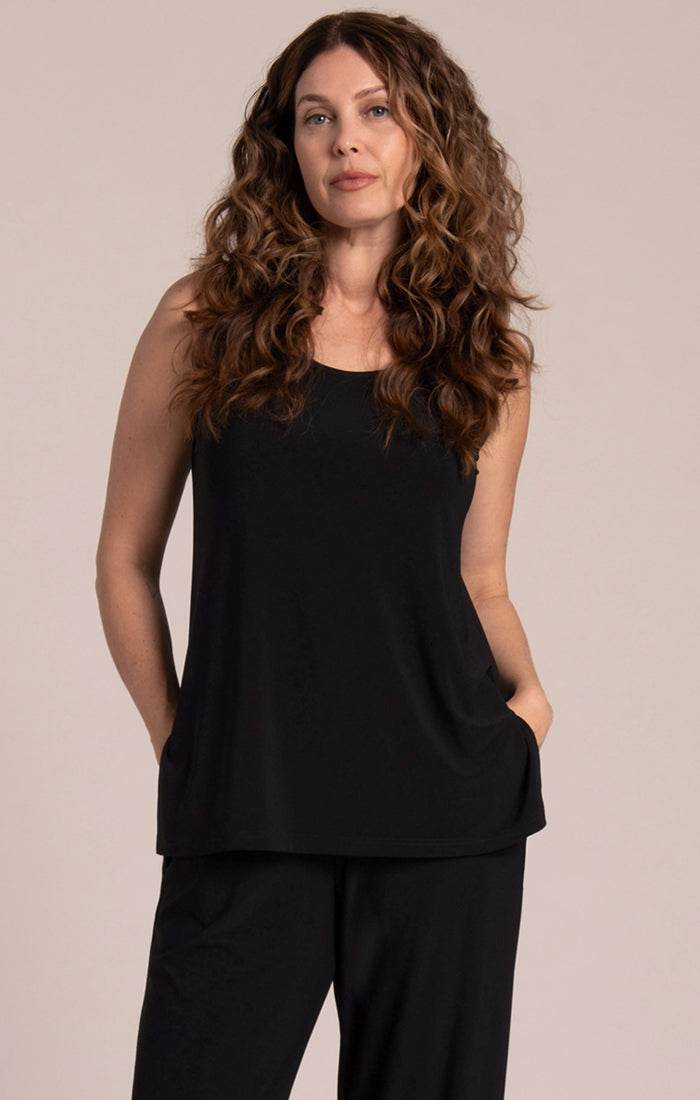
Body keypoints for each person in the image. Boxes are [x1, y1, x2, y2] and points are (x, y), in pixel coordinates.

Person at [95, 11, 553, 1098]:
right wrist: (183, 742)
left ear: (426, 138)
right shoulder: (203, 320)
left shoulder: (485, 355)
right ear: (287, 146)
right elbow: (122, 558)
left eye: (376, 110)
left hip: (445, 814)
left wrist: (528, 709)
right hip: (251, 803)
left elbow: (479, 577)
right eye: (316, 116)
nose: (346, 138)